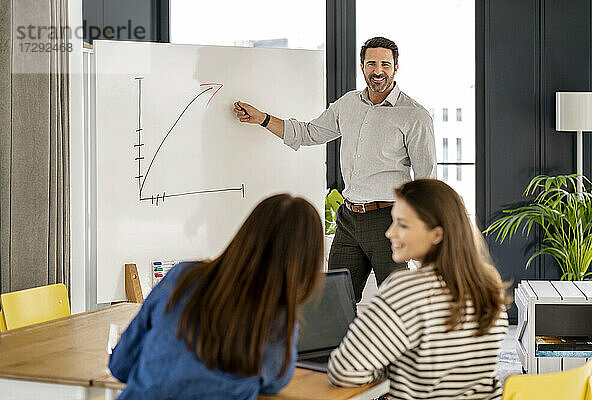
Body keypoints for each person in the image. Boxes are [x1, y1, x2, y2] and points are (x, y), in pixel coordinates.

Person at [233, 37, 436, 303]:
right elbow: (308, 133)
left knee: (396, 307)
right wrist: (264, 119)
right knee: (334, 303)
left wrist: (418, 234)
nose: (378, 70)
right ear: (362, 66)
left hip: (388, 220)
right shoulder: (348, 104)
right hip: (349, 219)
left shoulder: (414, 115)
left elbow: (426, 181)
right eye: (371, 63)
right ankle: (340, 347)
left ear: (396, 68)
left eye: (385, 64)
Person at [108, 194, 324, 400]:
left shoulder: (181, 277)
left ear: (245, 236)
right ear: (305, 266)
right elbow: (275, 382)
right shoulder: (276, 319)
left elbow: (120, 365)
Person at [327, 179, 509, 400]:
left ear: (436, 235)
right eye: (392, 221)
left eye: (402, 225)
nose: (389, 233)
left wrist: (382, 364)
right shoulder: (489, 285)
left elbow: (344, 370)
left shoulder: (405, 289)